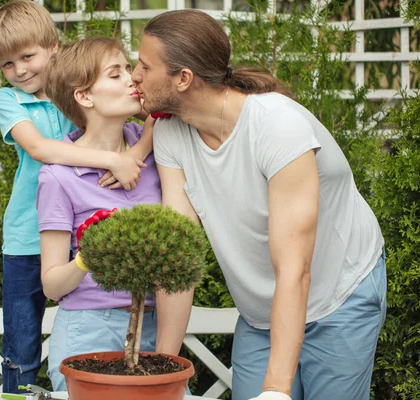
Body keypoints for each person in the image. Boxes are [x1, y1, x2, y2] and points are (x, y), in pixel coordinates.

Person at [131, 9, 386, 400]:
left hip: (338, 296)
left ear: (183, 79)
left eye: (144, 66)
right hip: (263, 314)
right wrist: (163, 367)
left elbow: (295, 268)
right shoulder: (170, 134)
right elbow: (177, 255)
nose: (134, 75)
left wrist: (277, 390)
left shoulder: (276, 126)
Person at [0, 1, 153, 392]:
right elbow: (42, 150)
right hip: (27, 237)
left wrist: (137, 154)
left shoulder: (77, 87)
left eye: (27, 56)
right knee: (22, 347)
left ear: (53, 46)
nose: (19, 70)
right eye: (6, 64)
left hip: (75, 236)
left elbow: (160, 114)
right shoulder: (10, 99)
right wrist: (112, 159)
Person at [36, 36, 191, 391]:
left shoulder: (159, 146)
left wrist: (140, 147)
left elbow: (171, 109)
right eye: (115, 74)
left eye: (128, 68)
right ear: (84, 96)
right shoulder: (59, 177)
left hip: (157, 326)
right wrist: (88, 258)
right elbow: (52, 285)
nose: (131, 79)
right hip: (89, 330)